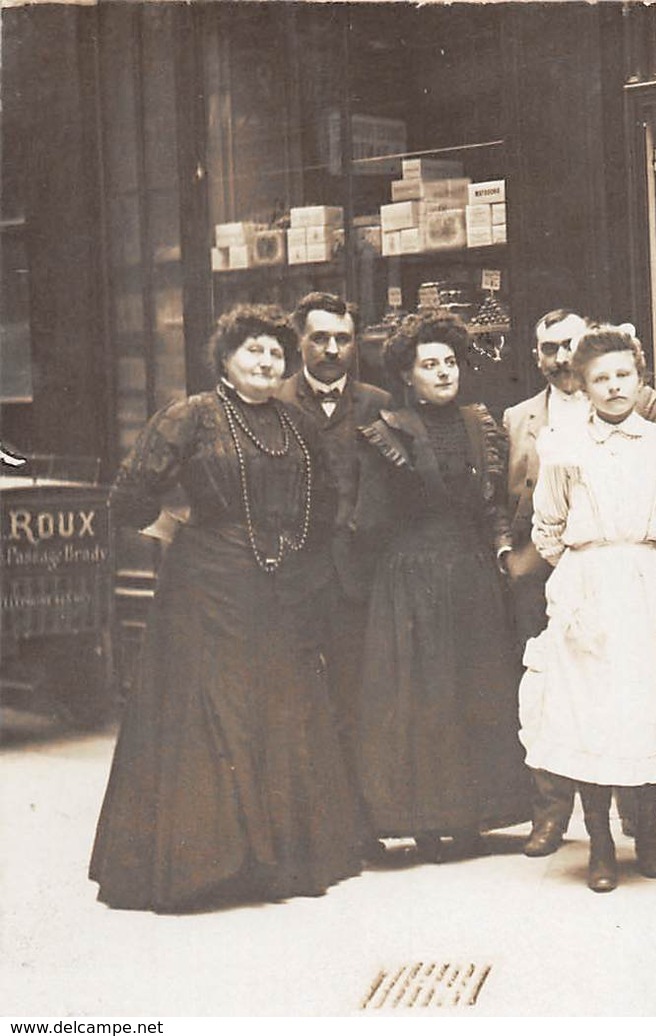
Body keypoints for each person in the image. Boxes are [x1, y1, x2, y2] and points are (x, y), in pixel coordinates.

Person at [90, 304, 362, 911]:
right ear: (225, 359)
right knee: (214, 715)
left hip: (280, 589)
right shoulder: (192, 416)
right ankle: (210, 867)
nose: (266, 362)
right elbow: (128, 496)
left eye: (275, 353)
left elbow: (324, 501)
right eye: (253, 352)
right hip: (204, 591)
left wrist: (301, 563)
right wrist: (180, 534)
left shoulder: (296, 423)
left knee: (277, 713)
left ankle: (274, 864)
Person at [515, 325, 656, 892]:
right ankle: (601, 844)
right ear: (583, 386)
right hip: (589, 585)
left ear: (640, 379)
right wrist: (589, 571)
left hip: (648, 580)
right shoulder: (565, 447)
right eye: (600, 378)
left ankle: (649, 835)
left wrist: (647, 560)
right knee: (593, 712)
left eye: (623, 375)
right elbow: (549, 526)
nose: (613, 387)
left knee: (647, 705)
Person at [347, 312, 532, 861]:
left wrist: (498, 548)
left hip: (470, 570)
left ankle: (474, 819)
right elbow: (370, 518)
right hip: (412, 574)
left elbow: (491, 502)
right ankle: (428, 823)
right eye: (431, 364)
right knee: (424, 698)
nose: (445, 372)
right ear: (408, 375)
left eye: (451, 362)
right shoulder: (386, 431)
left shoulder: (481, 424)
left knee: (474, 689)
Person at [273, 293, 391, 807]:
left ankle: (359, 822)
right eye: (319, 338)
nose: (331, 349)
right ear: (299, 340)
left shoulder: (378, 403)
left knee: (355, 698)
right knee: (292, 699)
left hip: (355, 578)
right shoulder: (272, 400)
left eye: (342, 339)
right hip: (290, 577)